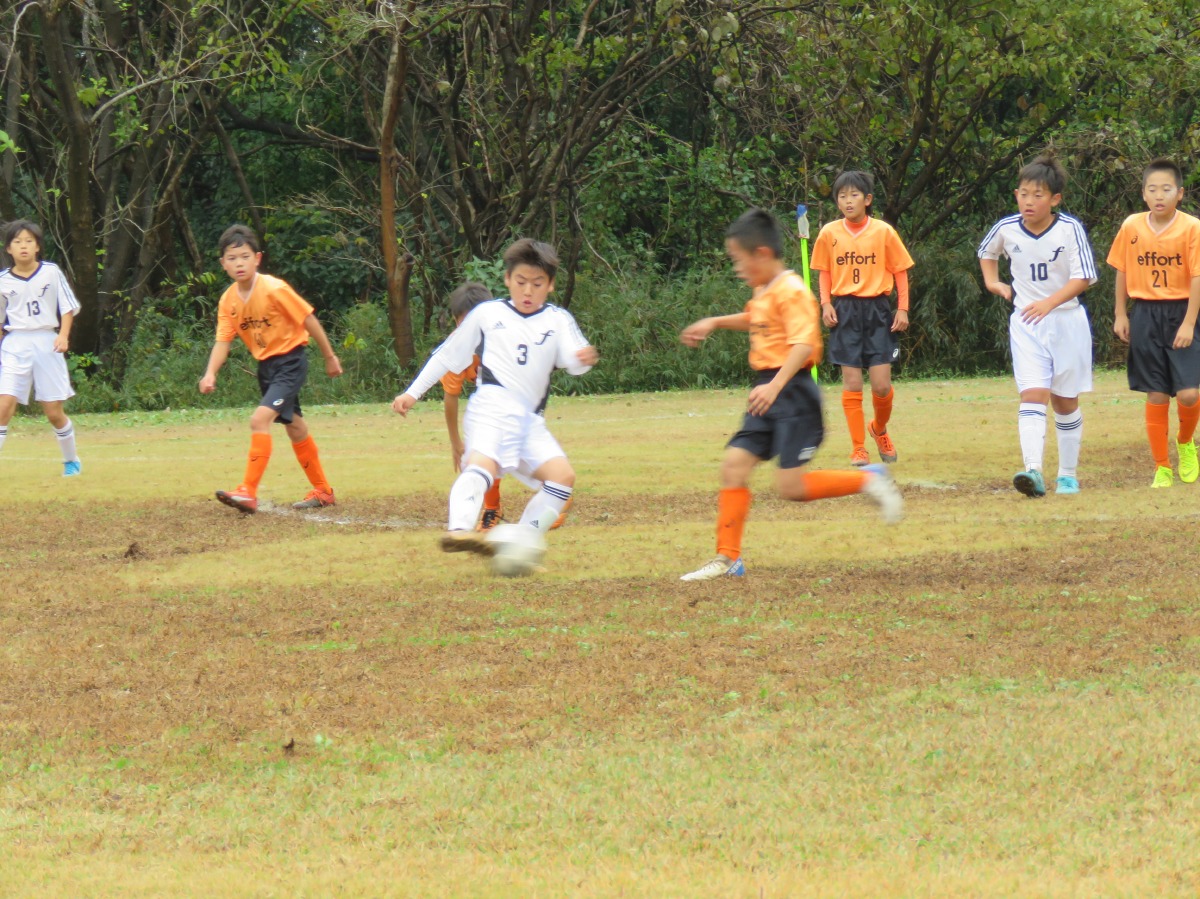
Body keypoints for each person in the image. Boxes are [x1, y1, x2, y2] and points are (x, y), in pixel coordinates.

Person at [678, 208, 902, 582]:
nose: (737, 268)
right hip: (766, 389)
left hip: (792, 392)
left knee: (791, 488)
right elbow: (755, 319)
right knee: (733, 466)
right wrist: (715, 322)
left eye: (739, 260)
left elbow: (803, 345)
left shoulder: (793, 290)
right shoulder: (763, 288)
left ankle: (870, 479)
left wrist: (775, 386)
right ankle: (728, 558)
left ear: (762, 254)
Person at [393, 238, 597, 556]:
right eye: (521, 282)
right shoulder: (487, 314)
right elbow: (448, 354)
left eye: (537, 284)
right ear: (507, 279)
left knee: (562, 478)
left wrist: (582, 359)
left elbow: (573, 360)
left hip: (529, 422)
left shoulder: (558, 320)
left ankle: (521, 541)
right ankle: (459, 531)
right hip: (491, 408)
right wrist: (412, 392)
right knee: (483, 465)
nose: (528, 291)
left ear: (551, 285)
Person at [198, 224, 343, 512]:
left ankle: (247, 491)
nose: (239, 263)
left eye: (245, 256)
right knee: (295, 427)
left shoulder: (274, 288)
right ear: (223, 263)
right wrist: (210, 373)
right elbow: (223, 341)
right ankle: (323, 491)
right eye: (232, 258)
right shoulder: (228, 300)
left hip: (290, 361)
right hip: (266, 367)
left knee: (259, 420)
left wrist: (329, 356)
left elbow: (308, 319)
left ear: (257, 258)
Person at [978, 154, 1098, 497]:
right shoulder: (1006, 228)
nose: (1029, 201)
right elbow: (987, 253)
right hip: (1026, 323)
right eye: (1023, 194)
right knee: (1032, 393)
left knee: (1065, 401)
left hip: (1067, 322)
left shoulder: (1069, 229)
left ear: (1055, 199)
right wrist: (993, 283)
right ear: (1016, 194)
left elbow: (1084, 277)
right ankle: (1033, 470)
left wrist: (1049, 303)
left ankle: (1068, 475)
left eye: (1038, 195)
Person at [810, 171, 914, 467]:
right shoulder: (829, 233)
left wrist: (902, 308)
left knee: (881, 385)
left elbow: (900, 270)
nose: (848, 201)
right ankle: (858, 449)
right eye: (842, 196)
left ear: (867, 199)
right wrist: (826, 304)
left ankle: (878, 428)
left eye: (854, 195)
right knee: (852, 382)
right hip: (845, 311)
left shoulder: (883, 232)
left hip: (877, 310)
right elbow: (824, 271)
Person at [1107, 158, 1200, 488]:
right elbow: (1122, 269)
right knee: (1157, 395)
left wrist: (1189, 323)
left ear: (1180, 193)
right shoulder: (1132, 226)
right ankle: (1162, 466)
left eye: (1166, 189)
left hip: (1182, 312)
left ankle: (1186, 442)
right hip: (1145, 313)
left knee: (1188, 393)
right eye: (1152, 189)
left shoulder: (1192, 228)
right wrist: (1121, 313)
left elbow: (1197, 276)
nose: (1159, 196)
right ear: (1144, 194)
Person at [0, 220, 83, 476]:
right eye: (17, 242)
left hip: (47, 342)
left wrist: (63, 336)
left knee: (53, 412)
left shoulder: (51, 272)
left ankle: (71, 460)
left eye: (29, 241)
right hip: (15, 343)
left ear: (37, 246)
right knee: (4, 406)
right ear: (9, 249)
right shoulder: (3, 280)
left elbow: (67, 307)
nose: (23, 246)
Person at [441, 282, 505, 530]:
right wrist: (455, 441)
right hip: (488, 399)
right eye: (464, 323)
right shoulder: (456, 347)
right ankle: (491, 507)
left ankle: (556, 493)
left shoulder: (506, 337)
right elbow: (451, 395)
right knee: (483, 451)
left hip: (520, 397)